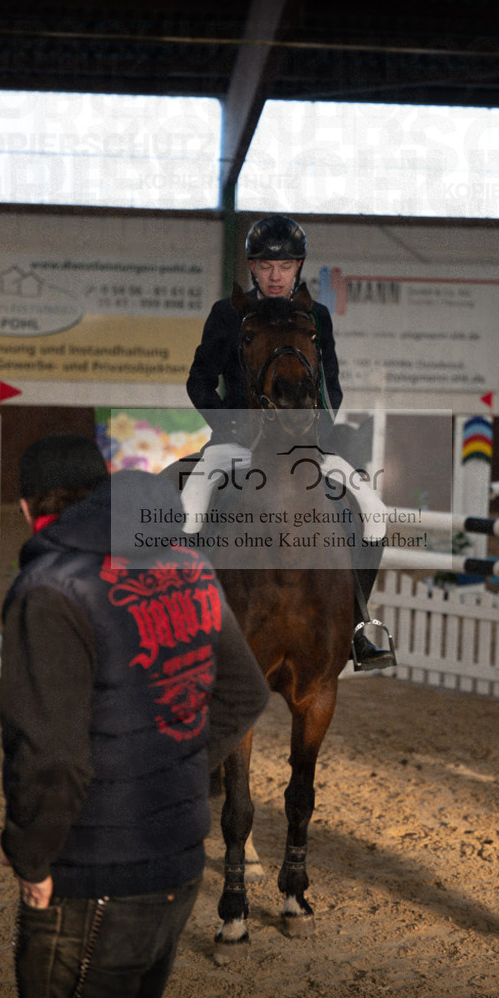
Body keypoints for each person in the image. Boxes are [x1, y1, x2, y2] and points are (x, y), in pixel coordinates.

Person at [0, 432, 270, 998]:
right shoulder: (190, 563)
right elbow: (246, 694)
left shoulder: (49, 587)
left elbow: (52, 758)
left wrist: (33, 858)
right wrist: (175, 780)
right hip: (180, 861)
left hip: (91, 875)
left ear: (28, 507)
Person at [186, 214, 395, 670]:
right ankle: (188, 620)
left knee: (374, 512)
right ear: (252, 268)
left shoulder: (315, 316)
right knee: (191, 506)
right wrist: (234, 425)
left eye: (285, 266)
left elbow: (330, 385)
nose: (275, 275)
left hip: (306, 447)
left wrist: (314, 430)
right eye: (265, 266)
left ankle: (358, 625)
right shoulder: (228, 314)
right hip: (236, 443)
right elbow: (199, 382)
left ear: (299, 266)